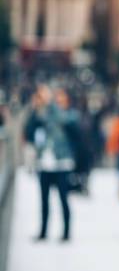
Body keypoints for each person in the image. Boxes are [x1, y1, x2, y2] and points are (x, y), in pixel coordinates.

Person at [24, 85, 81, 242]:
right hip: (45, 163)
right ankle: (43, 231)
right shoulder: (43, 114)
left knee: (63, 199)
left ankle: (66, 231)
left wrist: (49, 102)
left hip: (63, 163)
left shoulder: (70, 115)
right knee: (44, 200)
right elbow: (29, 131)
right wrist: (35, 109)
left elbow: (62, 120)